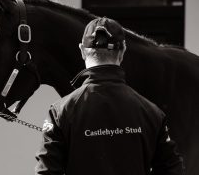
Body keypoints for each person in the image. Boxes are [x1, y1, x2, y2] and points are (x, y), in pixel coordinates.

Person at [35, 17, 184, 175]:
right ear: (123, 50)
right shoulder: (151, 112)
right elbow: (172, 169)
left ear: (81, 51)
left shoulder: (60, 112)